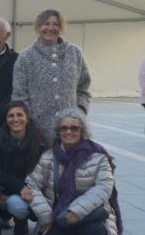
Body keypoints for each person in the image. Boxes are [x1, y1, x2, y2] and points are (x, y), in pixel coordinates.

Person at [26, 108, 122, 235]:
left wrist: (76, 211)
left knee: (95, 234)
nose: (69, 132)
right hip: (59, 216)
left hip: (87, 215)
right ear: (58, 132)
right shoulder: (48, 156)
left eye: (74, 128)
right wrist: (46, 217)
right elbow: (32, 185)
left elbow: (104, 187)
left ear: (82, 131)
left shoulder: (98, 157)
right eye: (64, 128)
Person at [12, 9, 91, 145]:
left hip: (71, 130)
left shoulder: (75, 53)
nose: (51, 28)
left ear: (61, 28)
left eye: (56, 24)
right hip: (38, 132)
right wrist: (29, 125)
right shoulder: (26, 57)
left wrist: (80, 112)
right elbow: (19, 96)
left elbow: (84, 88)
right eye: (46, 23)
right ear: (38, 27)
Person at [0, 101, 47, 235]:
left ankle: (20, 220)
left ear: (27, 118)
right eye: (11, 116)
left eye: (19, 115)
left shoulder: (38, 140)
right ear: (5, 119)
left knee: (18, 207)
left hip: (26, 187)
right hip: (2, 185)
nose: (15, 119)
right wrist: (10, 190)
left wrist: (17, 190)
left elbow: (38, 174)